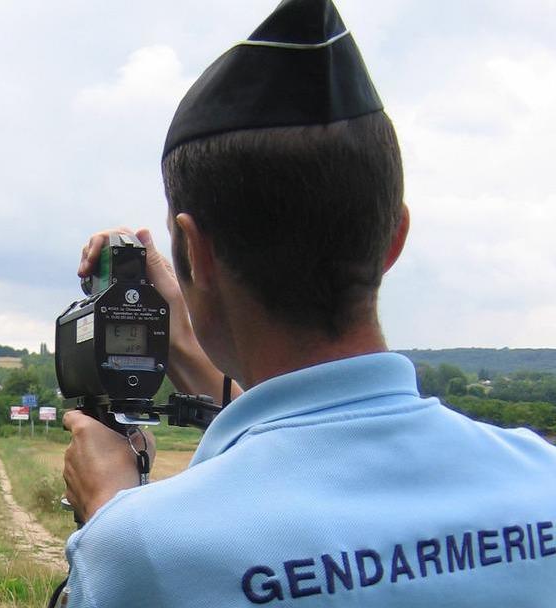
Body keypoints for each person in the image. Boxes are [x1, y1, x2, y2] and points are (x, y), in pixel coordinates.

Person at [58, 0, 556, 606]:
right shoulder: (541, 479)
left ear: (195, 252)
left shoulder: (146, 548)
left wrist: (109, 516)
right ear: (394, 239)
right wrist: (185, 348)